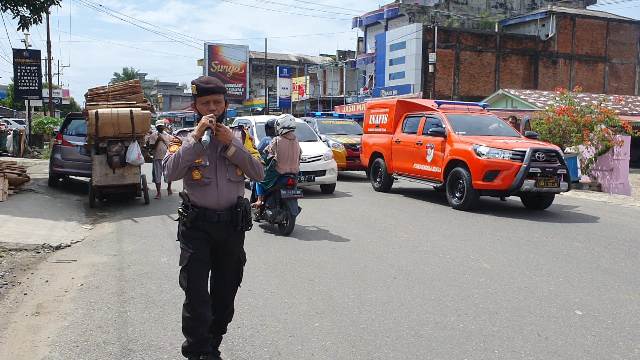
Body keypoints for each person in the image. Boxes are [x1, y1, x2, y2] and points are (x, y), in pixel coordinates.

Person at [163, 76, 264, 360]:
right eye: (205, 103)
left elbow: (259, 173)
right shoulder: (182, 138)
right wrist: (196, 139)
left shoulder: (241, 136)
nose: (212, 108)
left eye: (217, 103)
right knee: (196, 295)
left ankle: (213, 343)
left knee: (225, 294)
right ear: (195, 106)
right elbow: (169, 173)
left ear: (225, 105)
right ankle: (197, 351)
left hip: (232, 228)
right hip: (197, 227)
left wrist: (231, 145)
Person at [252, 114, 301, 208]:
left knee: (259, 179)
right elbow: (300, 155)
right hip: (294, 173)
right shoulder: (296, 140)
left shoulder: (277, 140)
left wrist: (262, 161)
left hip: (278, 173)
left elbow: (267, 153)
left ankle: (259, 200)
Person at [148, 119, 174, 199]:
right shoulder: (153, 135)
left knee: (169, 174)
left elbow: (172, 145)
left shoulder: (167, 135)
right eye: (159, 126)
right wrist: (157, 141)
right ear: (156, 127)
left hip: (167, 158)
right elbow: (151, 147)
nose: (160, 127)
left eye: (161, 126)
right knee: (157, 175)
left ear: (163, 126)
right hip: (157, 158)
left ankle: (169, 188)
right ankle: (158, 192)